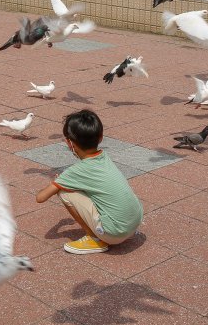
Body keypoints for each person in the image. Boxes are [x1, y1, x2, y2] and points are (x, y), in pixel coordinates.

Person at [36, 109, 143, 254]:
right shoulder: (105, 157)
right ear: (100, 138)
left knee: (63, 192)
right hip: (134, 222)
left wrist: (60, 182)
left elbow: (40, 198)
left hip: (115, 233)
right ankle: (118, 228)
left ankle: (95, 239)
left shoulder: (74, 171)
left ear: (69, 143)